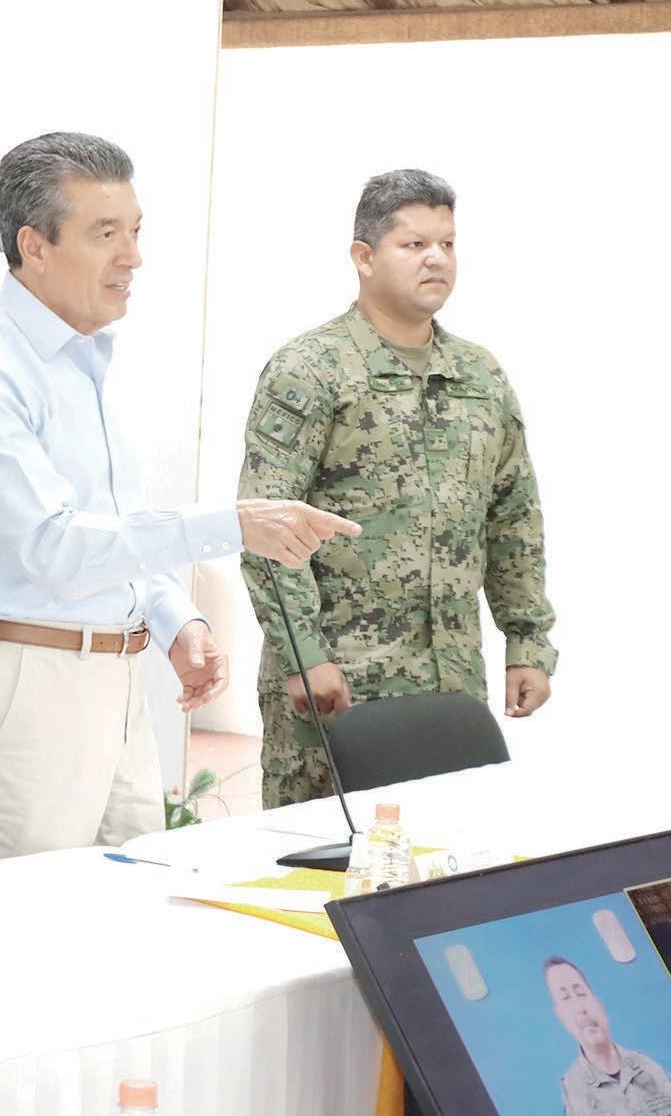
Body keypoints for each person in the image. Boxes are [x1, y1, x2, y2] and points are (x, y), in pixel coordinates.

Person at [0, 131, 358, 865]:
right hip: (24, 685)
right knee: (21, 917)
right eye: (106, 234)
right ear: (34, 245)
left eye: (136, 231)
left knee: (133, 901)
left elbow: (114, 532)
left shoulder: (90, 362)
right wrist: (233, 524)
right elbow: (52, 547)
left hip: (118, 681)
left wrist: (175, 619)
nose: (133, 257)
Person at [238, 169, 557, 807]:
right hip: (339, 680)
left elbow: (513, 518)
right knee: (326, 851)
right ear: (364, 257)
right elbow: (266, 527)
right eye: (414, 245)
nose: (437, 258)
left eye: (447, 243)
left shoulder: (480, 377)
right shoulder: (311, 369)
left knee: (450, 847)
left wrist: (526, 640)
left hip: (450, 679)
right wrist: (304, 655)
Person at [545, 957, 671, 1116]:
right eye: (565, 998)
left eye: (581, 993)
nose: (580, 1008)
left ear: (598, 1004)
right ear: (561, 1017)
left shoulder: (648, 1067)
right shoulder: (573, 1090)